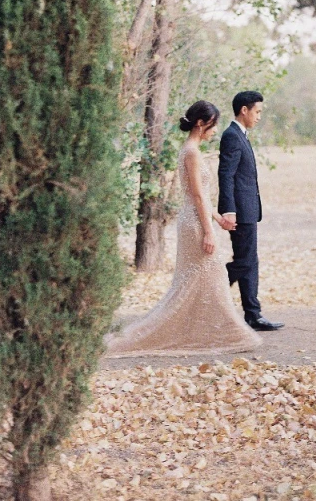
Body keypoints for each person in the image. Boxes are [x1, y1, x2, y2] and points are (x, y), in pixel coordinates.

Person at [105, 100, 262, 357]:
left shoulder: (192, 150)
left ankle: (214, 330)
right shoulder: (191, 152)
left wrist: (219, 219)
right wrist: (209, 231)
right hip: (194, 223)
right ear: (201, 124)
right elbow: (198, 197)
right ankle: (229, 332)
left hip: (198, 218)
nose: (214, 132)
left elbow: (202, 198)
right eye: (212, 126)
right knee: (201, 280)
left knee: (204, 280)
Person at [218, 91, 284, 332]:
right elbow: (226, 175)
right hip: (239, 211)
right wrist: (229, 210)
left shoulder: (241, 135)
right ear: (244, 110)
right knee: (245, 261)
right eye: (257, 112)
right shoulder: (231, 136)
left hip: (248, 209)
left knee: (250, 262)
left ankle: (253, 315)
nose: (259, 117)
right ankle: (210, 288)